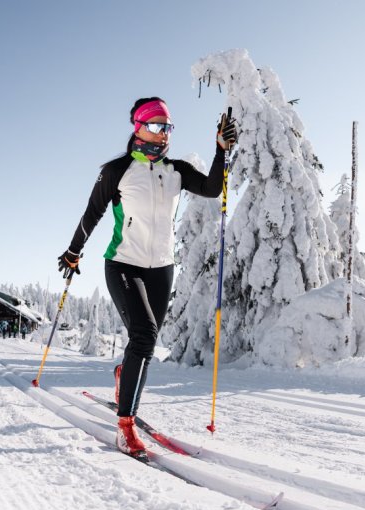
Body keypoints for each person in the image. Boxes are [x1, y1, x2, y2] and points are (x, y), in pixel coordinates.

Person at [57, 97, 237, 457]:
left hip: (161, 269)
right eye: (155, 126)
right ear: (137, 127)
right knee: (144, 335)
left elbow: (212, 189)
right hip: (123, 264)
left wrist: (220, 151)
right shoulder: (117, 170)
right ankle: (126, 426)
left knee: (146, 344)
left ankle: (125, 374)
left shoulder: (176, 170)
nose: (162, 134)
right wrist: (74, 251)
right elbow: (91, 214)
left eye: (167, 127)